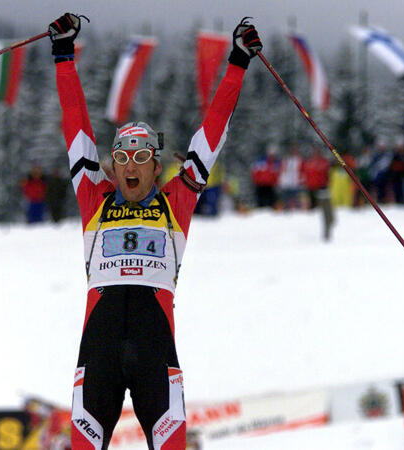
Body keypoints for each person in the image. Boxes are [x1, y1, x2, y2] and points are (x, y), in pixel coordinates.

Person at [48, 13, 261, 449]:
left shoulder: (175, 202)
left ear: (155, 164)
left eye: (140, 157)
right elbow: (75, 122)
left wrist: (238, 61)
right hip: (100, 352)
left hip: (155, 354)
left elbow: (212, 131)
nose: (129, 165)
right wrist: (63, 55)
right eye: (121, 157)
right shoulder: (95, 197)